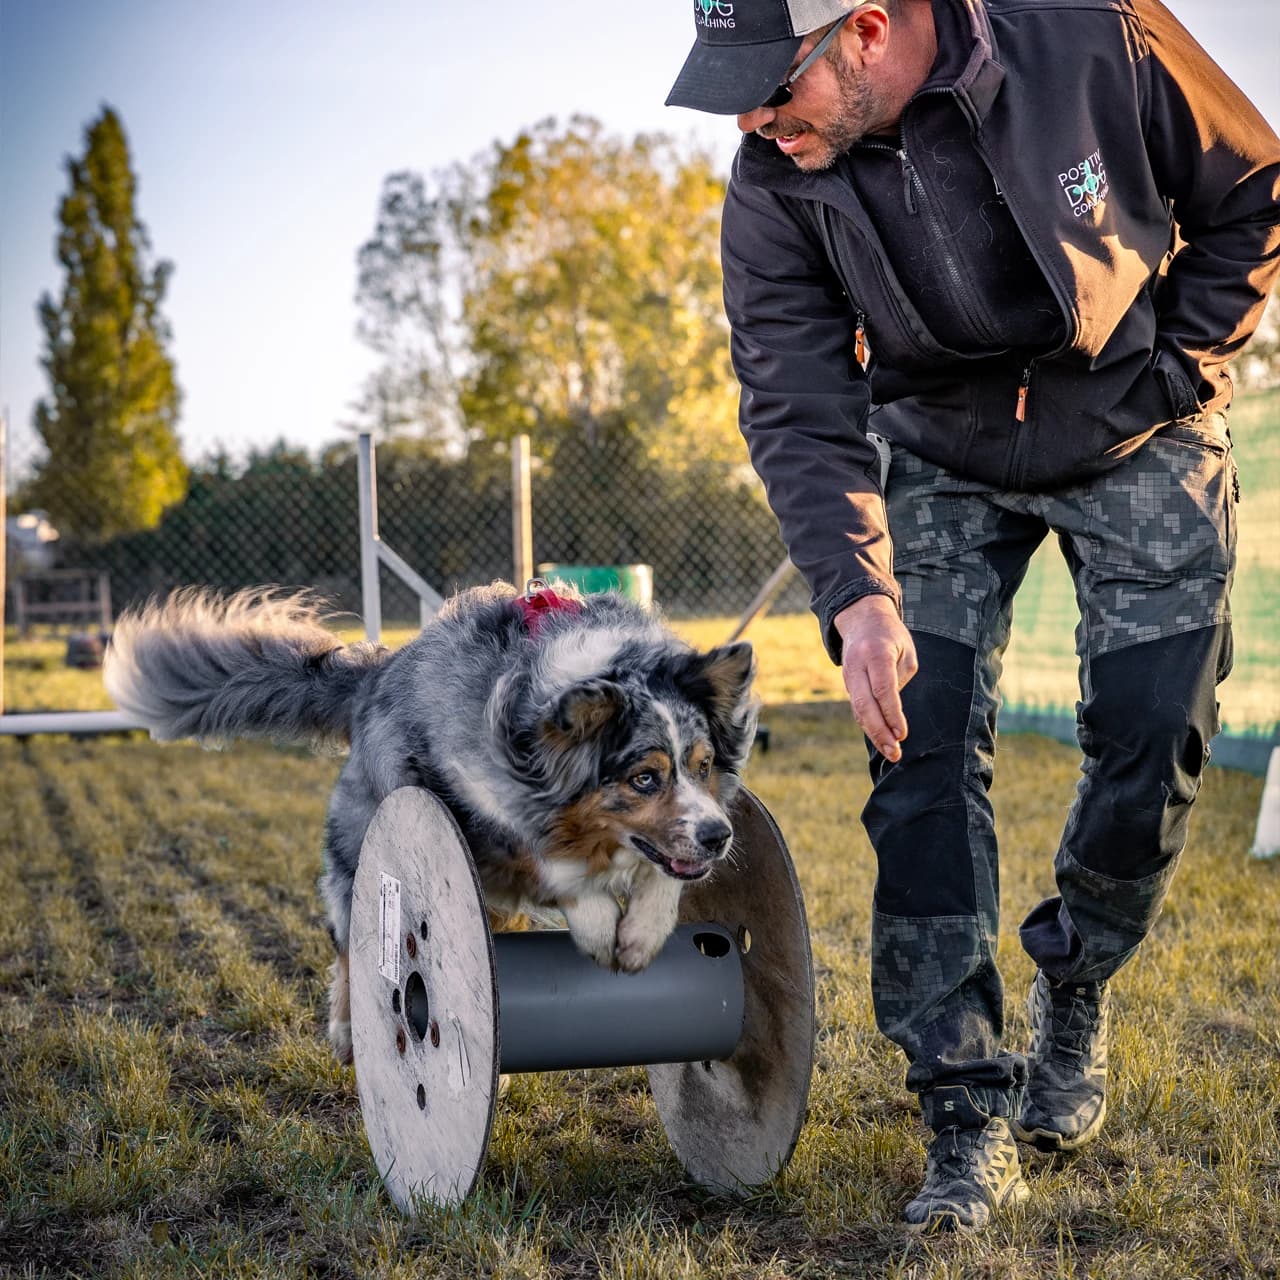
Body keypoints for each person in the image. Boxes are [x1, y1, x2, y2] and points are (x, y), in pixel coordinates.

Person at [667, 0, 1280, 1233]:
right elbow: (790, 395)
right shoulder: (770, 178)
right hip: (937, 446)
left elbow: (1253, 187)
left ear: (868, 32)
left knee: (1153, 737)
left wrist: (1180, 369)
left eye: (769, 85)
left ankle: (1078, 973)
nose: (748, 119)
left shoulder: (1093, 35)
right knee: (917, 744)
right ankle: (962, 1105)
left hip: (1136, 415)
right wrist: (859, 597)